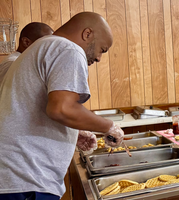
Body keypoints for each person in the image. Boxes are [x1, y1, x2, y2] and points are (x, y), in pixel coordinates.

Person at [0, 12, 124, 200]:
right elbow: (62, 109)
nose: (99, 58)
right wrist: (109, 127)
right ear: (87, 34)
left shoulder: (42, 46)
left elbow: (31, 109)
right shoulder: (68, 49)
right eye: (102, 49)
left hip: (15, 177)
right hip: (27, 180)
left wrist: (72, 133)